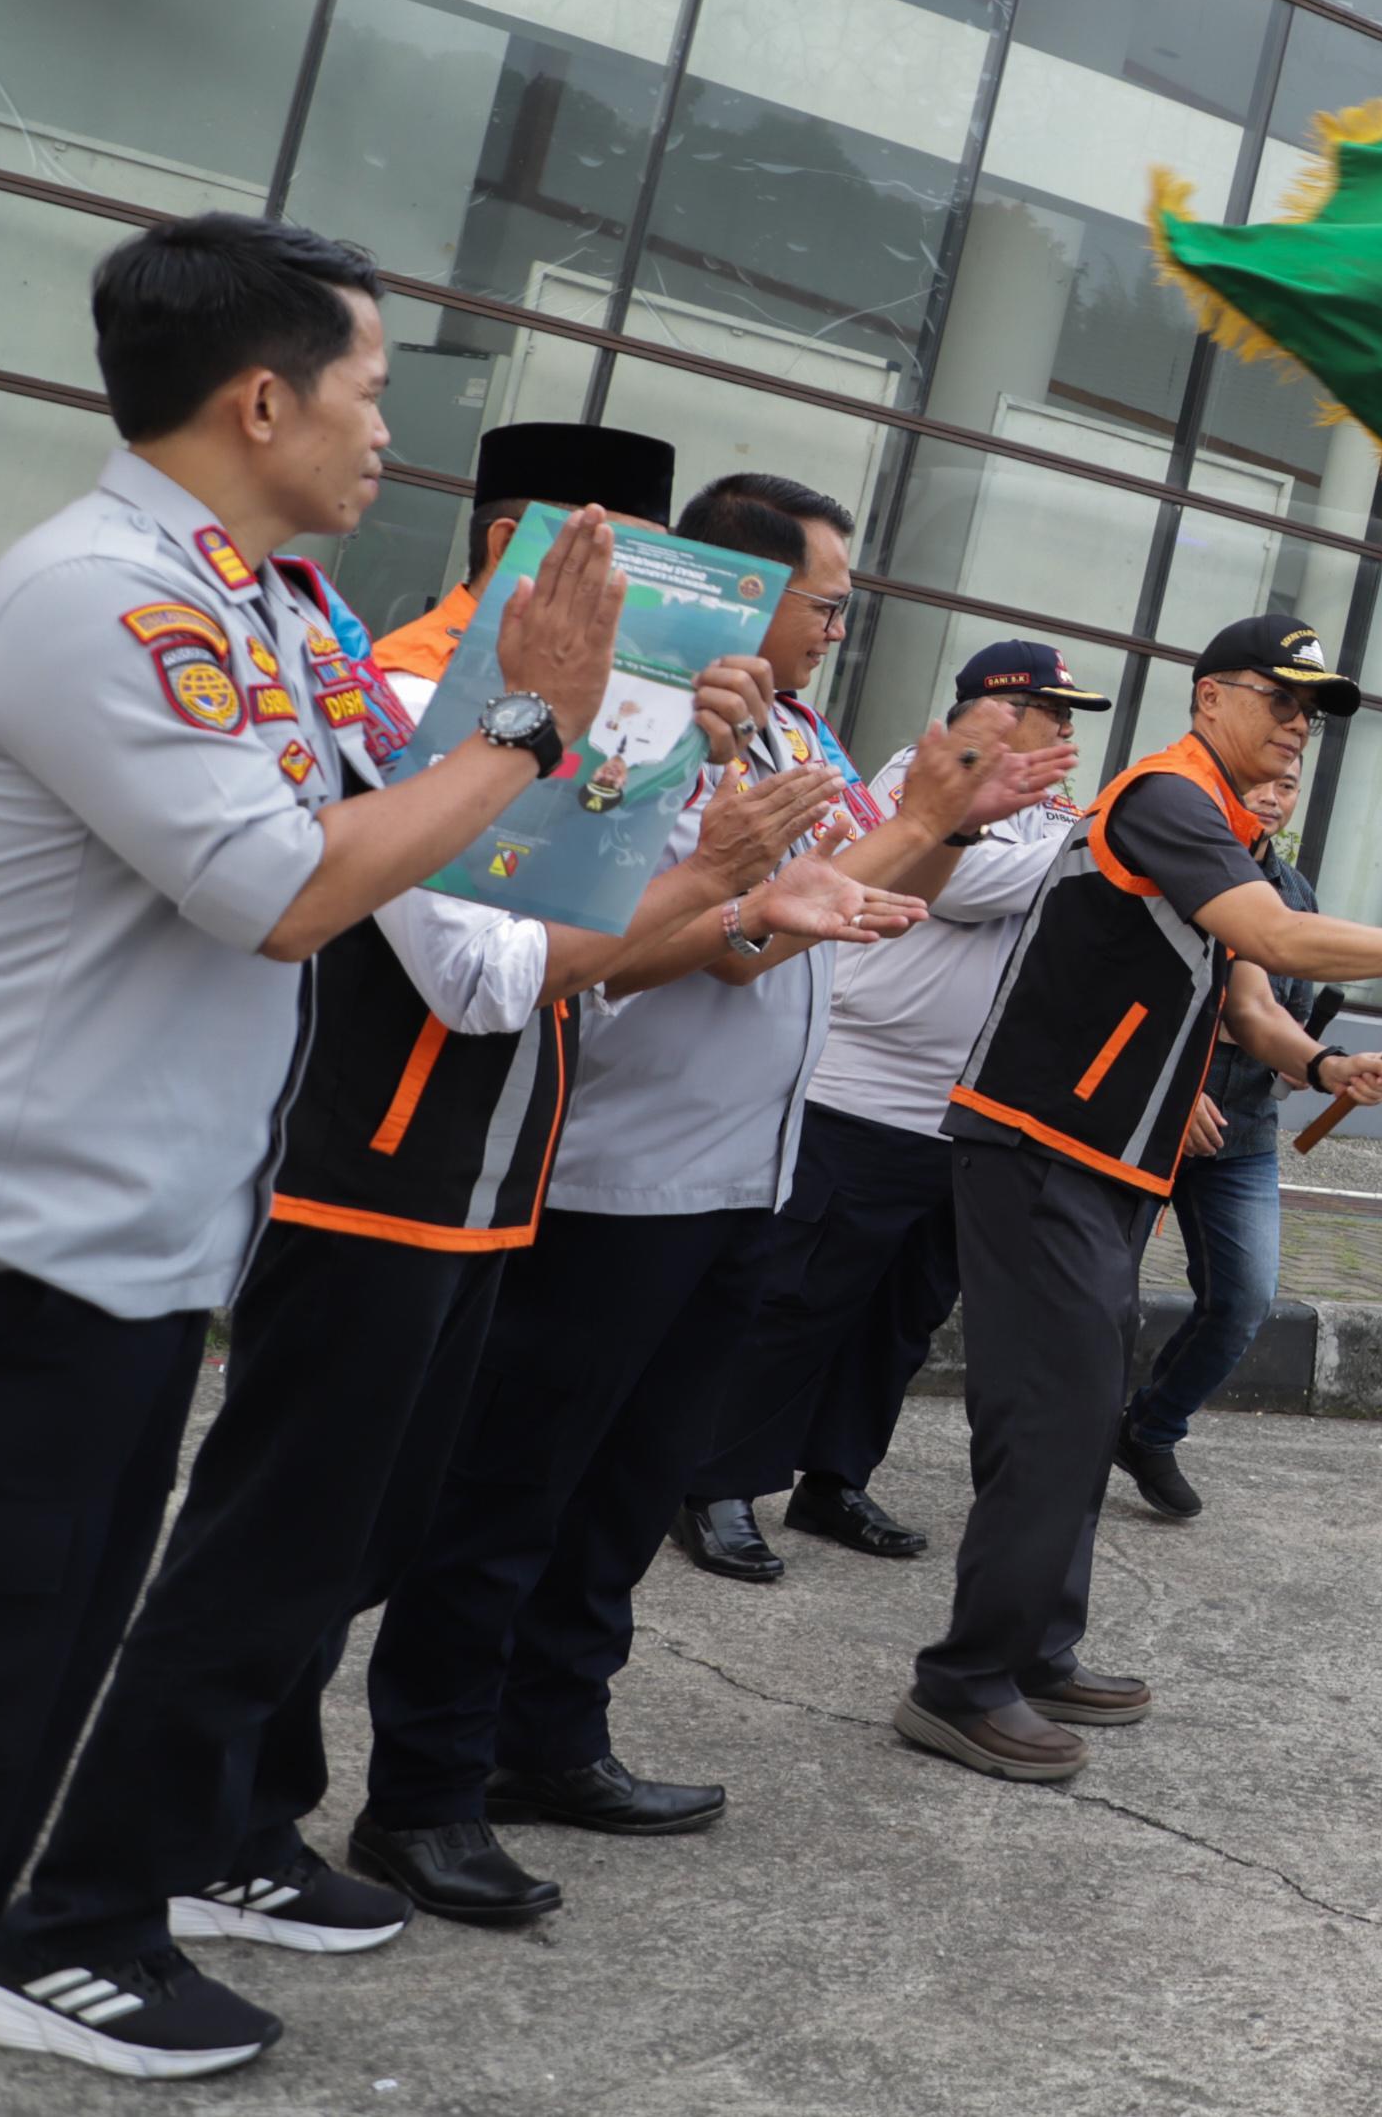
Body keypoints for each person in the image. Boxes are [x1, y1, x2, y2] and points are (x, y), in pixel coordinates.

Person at [0, 425, 919, 2076]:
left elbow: (597, 956)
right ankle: (85, 1908)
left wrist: (715, 863)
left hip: (487, 1172)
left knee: (364, 1528)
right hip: (367, 1167)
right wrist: (699, 867)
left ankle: (237, 1832)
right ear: (526, 547)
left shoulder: (572, 701)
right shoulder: (406, 680)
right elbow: (475, 958)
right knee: (262, 1543)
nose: (661, 606)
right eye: (630, 566)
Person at [0, 217, 625, 2082]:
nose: (385, 435)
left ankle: (63, 1928)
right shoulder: (105, 598)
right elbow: (285, 892)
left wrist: (631, 812)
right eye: (370, 390)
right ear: (262, 399)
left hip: (152, 1245)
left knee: (25, 1703)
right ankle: (62, 1935)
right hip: (28, 1253)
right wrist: (524, 723)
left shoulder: (272, 605)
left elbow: (433, 874)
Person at [348, 475, 1068, 1931]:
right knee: (513, 1490)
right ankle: (424, 1787)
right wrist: (870, 840)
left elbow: (844, 895)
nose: (836, 625)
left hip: (745, 1162)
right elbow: (719, 938)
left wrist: (932, 821)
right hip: (619, 1168)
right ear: (741, 590)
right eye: (823, 599)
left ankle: (555, 1737)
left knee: (625, 1484)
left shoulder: (791, 733)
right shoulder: (648, 727)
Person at [897, 616, 1382, 1784]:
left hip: (1108, 1162)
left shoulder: (1225, 825)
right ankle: (962, 1683)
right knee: (1054, 1413)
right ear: (1209, 700)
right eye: (1282, 701)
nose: (1299, 729)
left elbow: (1249, 996)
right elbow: (1278, 933)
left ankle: (1038, 1649)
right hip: (1041, 1143)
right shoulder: (1166, 799)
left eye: (1313, 714)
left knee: (1082, 1409)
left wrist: (1322, 1067)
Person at [674, 641, 1111, 1580]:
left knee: (898, 1318)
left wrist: (1088, 848)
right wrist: (1102, 852)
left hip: (960, 1111)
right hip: (860, 1098)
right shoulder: (918, 786)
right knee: (800, 1302)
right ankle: (711, 1482)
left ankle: (835, 1477)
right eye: (1051, 708)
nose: (1068, 729)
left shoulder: (1060, 815)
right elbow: (976, 891)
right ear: (992, 708)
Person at [1112, 725, 1382, 1522]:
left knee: (1244, 1298)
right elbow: (1125, 993)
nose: (1273, 797)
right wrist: (1177, 1087)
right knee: (1103, 1298)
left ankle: (1149, 1429)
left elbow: (1273, 1015)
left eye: (1289, 786)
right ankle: (1058, 1446)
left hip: (1240, 1130)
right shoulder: (1166, 865)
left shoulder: (1295, 896)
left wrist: (1323, 1064)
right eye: (1263, 783)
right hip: (1140, 1115)